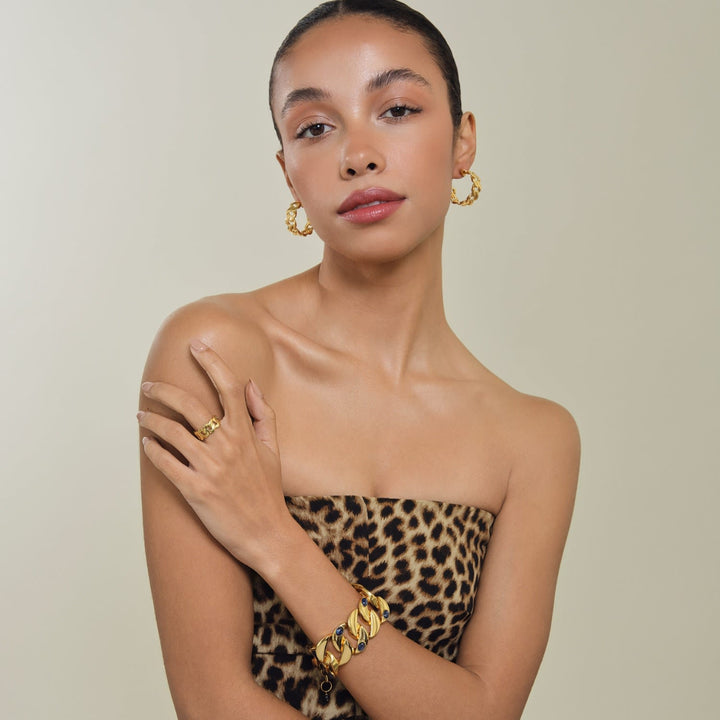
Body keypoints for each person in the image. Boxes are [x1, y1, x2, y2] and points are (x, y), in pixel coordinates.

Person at [137, 1, 580, 718]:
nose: (359, 154)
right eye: (315, 127)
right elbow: (212, 702)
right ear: (288, 173)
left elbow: (484, 712)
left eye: (397, 110)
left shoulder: (533, 439)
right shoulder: (215, 355)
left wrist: (275, 541)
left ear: (463, 142)